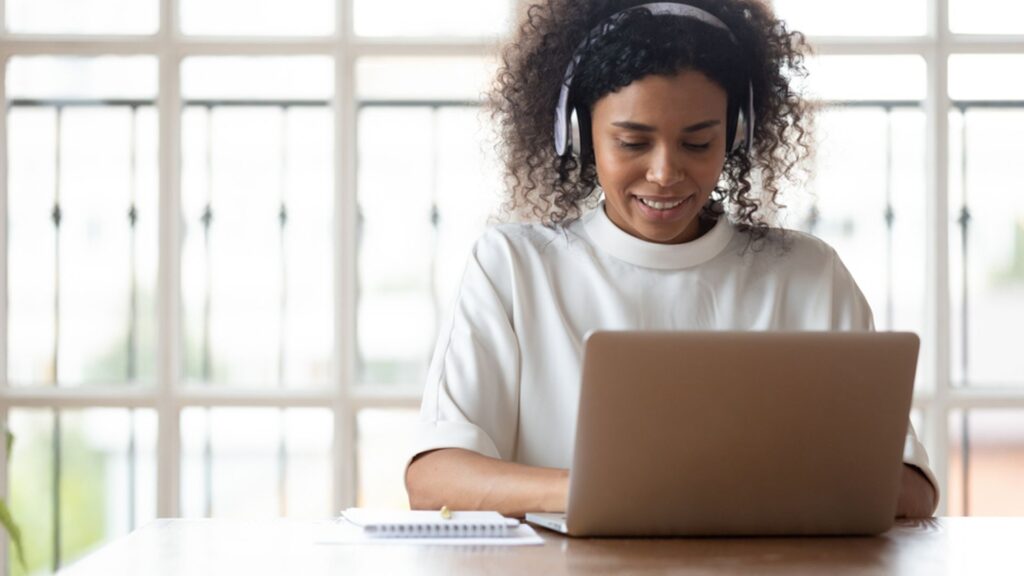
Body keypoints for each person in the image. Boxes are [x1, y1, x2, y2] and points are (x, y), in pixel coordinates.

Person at [404, 0, 939, 519]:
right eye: (632, 143)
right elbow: (434, 478)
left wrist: (722, 495)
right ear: (578, 133)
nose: (665, 173)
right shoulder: (513, 267)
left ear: (736, 135)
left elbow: (911, 488)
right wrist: (603, 492)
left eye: (698, 143)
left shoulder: (808, 275)